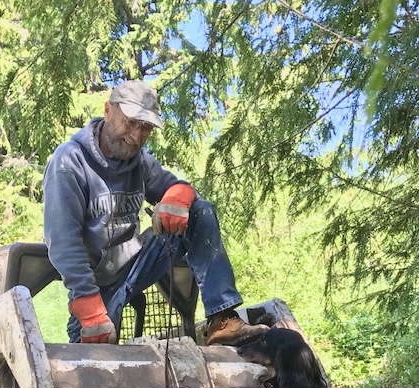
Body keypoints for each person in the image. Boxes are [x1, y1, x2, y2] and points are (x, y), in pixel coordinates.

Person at [43, 79, 268, 345]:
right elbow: (63, 244)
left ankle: (222, 319)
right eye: (130, 123)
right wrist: (89, 308)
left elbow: (178, 189)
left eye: (146, 128)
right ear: (108, 111)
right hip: (96, 286)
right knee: (99, 361)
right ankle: (89, 323)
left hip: (137, 263)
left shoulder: (140, 162)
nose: (136, 136)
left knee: (199, 212)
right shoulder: (69, 162)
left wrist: (178, 195)